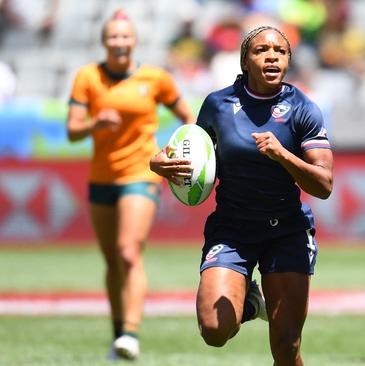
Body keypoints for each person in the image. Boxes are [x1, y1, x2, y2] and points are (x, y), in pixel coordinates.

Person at [150, 25, 333, 366]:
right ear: (245, 61)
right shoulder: (218, 104)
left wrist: (284, 156)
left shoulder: (303, 108)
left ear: (288, 60)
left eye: (280, 51)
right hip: (233, 229)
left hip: (287, 231)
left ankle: (255, 300)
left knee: (286, 345)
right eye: (261, 50)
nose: (272, 56)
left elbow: (324, 184)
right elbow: (198, 162)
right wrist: (162, 163)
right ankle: (250, 303)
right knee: (214, 330)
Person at [65, 9, 194, 361]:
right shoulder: (87, 77)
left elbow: (189, 118)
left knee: (127, 251)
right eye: (113, 37)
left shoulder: (156, 78)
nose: (120, 42)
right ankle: (118, 332)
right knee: (111, 260)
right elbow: (72, 130)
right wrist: (95, 124)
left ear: (134, 41)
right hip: (101, 177)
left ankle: (131, 334)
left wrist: (179, 148)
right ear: (104, 41)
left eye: (125, 36)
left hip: (141, 172)